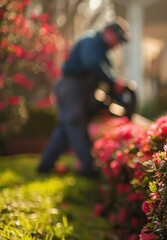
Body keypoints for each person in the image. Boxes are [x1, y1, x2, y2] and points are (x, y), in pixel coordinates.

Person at [37, 17, 131, 178]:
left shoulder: (101, 49)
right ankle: (88, 168)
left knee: (66, 128)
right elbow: (92, 64)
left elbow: (104, 70)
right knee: (75, 123)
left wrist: (113, 83)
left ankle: (45, 165)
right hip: (72, 87)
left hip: (78, 89)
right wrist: (113, 81)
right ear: (109, 32)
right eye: (118, 39)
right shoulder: (91, 41)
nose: (118, 44)